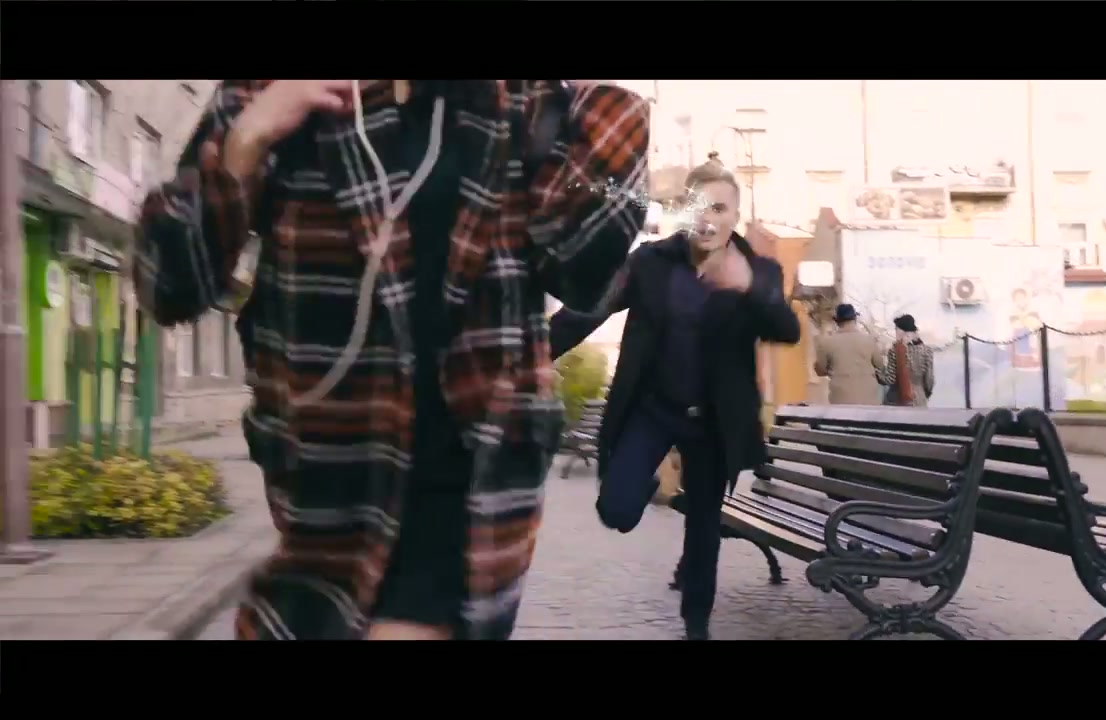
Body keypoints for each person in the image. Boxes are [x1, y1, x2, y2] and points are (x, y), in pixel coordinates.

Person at [133, 80, 649, 640]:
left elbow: (582, 264)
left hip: (470, 489)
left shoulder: (526, 102)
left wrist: (609, 118)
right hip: (322, 488)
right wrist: (246, 141)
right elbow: (168, 283)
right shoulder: (274, 90)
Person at [549, 154, 801, 640]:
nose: (708, 219)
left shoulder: (759, 272)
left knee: (703, 527)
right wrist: (532, 352)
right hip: (655, 409)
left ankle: (696, 625)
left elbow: (786, 329)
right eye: (698, 207)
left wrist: (751, 290)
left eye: (720, 209)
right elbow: (591, 309)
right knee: (615, 510)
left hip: (714, 422)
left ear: (735, 216)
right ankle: (644, 487)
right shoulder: (649, 262)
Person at [814, 303, 884, 404]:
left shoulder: (826, 343)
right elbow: (880, 364)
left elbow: (820, 370)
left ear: (837, 322)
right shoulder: (869, 340)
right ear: (855, 319)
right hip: (869, 401)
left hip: (841, 401)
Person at [877, 314, 934, 407]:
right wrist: (924, 394)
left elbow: (890, 379)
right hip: (919, 399)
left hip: (897, 398)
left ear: (901, 331)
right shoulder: (927, 351)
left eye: (896, 330)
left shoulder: (895, 350)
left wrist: (877, 371)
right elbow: (929, 380)